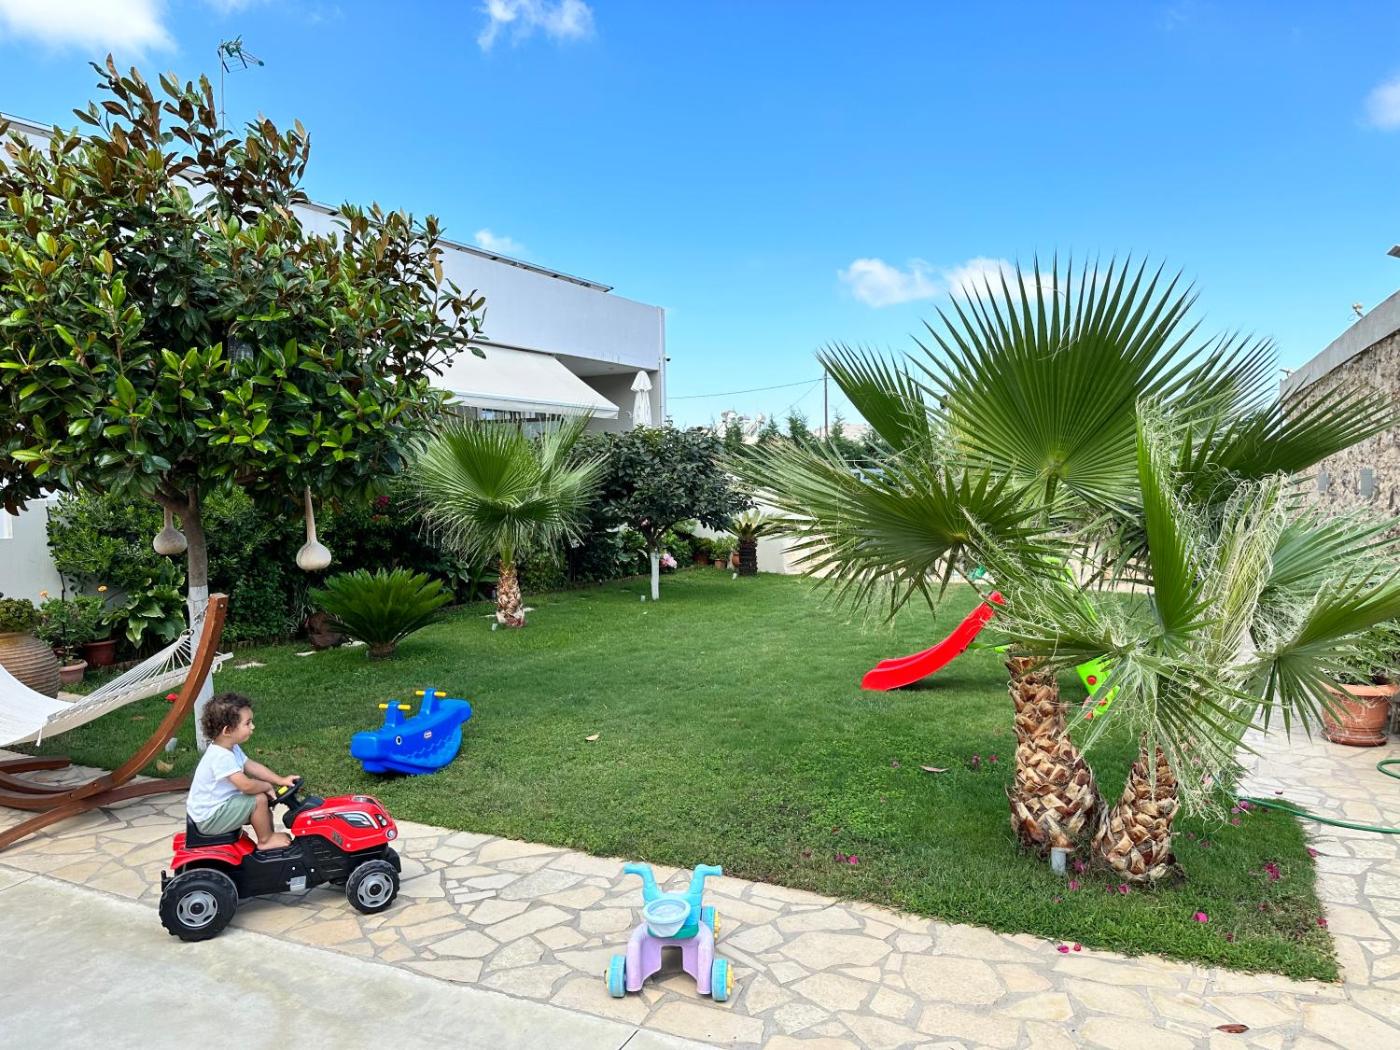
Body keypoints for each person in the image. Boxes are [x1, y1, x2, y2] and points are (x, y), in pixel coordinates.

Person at [186, 692, 298, 849]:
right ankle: (266, 840)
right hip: (209, 819)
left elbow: (252, 766)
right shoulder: (220, 756)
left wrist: (280, 780)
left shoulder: (230, 747)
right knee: (258, 799)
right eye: (247, 723)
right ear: (227, 731)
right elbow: (246, 786)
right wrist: (266, 786)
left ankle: (270, 836)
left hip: (218, 809)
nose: (253, 727)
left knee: (261, 799)